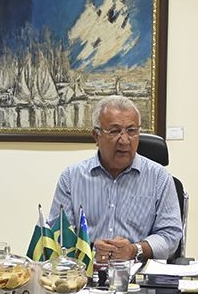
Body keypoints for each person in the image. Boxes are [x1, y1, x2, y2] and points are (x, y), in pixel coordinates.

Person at [47, 95, 182, 264]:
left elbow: (170, 235)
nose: (124, 140)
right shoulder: (71, 178)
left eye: (131, 131)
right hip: (86, 272)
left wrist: (134, 250)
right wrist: (90, 251)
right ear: (96, 136)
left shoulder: (159, 178)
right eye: (114, 131)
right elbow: (57, 234)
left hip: (139, 273)